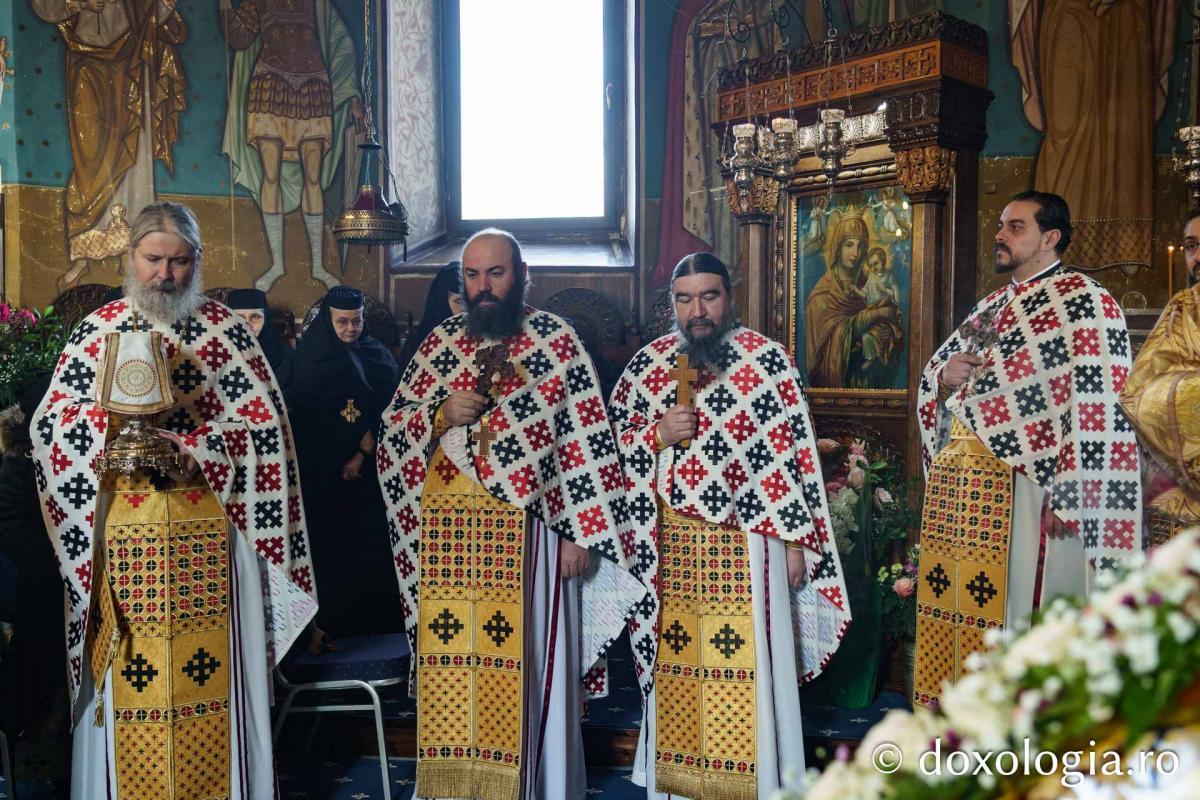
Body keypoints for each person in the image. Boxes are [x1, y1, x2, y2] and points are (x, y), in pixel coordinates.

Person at [30, 201, 317, 799]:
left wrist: (198, 449)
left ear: (197, 261)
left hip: (209, 540)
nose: (164, 274)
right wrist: (112, 427)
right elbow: (50, 427)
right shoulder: (98, 330)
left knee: (210, 679)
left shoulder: (224, 333)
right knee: (129, 677)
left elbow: (266, 432)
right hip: (122, 545)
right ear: (130, 257)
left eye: (179, 262)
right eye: (153, 259)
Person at [377, 229, 656, 800]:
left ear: (522, 274)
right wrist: (438, 413)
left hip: (533, 537)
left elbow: (586, 443)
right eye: (472, 275)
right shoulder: (439, 344)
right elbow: (392, 433)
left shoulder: (556, 341)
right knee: (457, 662)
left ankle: (537, 786)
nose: (483, 287)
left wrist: (582, 535)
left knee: (529, 665)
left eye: (495, 273)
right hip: (451, 543)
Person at [610, 252, 850, 800]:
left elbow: (792, 459)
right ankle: (678, 788)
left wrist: (795, 544)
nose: (697, 311)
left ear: (730, 296)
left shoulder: (767, 362)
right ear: (672, 303)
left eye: (708, 296)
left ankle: (756, 783)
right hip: (669, 548)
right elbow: (609, 452)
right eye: (684, 299)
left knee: (750, 664)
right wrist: (656, 435)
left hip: (750, 546)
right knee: (676, 662)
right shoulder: (648, 367)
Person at [912, 191, 1141, 709]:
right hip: (965, 490)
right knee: (967, 605)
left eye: (1015, 227)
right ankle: (963, 719)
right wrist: (944, 376)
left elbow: (1099, 401)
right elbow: (942, 376)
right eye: (1001, 225)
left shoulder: (1085, 300)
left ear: (1050, 237)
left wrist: (1071, 489)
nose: (1000, 235)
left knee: (1019, 609)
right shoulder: (991, 306)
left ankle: (1021, 728)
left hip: (1030, 488)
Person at [31, 0, 187, 288]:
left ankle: (131, 248)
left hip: (131, 54)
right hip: (85, 55)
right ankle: (83, 250)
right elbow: (44, 6)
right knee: (89, 154)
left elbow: (153, 11)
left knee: (133, 147)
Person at [220, 0, 366, 290]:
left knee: (313, 179)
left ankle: (318, 266)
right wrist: (224, 6)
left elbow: (340, 42)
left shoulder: (316, 3)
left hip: (313, 88)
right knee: (270, 176)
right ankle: (276, 265)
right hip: (270, 87)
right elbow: (240, 37)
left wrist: (353, 97)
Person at [290, 285, 401, 638]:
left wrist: (366, 446)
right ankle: (336, 625)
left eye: (357, 321)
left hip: (373, 470)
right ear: (328, 320)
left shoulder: (375, 353)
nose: (351, 329)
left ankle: (380, 625)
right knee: (335, 549)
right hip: (326, 474)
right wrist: (346, 452)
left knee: (373, 544)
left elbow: (394, 404)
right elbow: (306, 417)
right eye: (343, 322)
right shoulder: (309, 359)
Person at [0, 374, 71, 795]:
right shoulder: (22, 457)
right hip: (42, 589)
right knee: (40, 688)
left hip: (77, 586)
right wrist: (61, 562)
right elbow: (10, 524)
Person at [1120, 208, 1200, 540]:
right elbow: (1138, 393)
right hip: (1183, 504)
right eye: (1191, 246)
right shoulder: (1182, 308)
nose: (1197, 257)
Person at [805, 211, 901, 388]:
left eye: (861, 247)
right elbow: (824, 349)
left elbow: (892, 320)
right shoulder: (821, 296)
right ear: (837, 247)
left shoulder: (870, 284)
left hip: (872, 386)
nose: (856, 253)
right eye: (849, 245)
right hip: (833, 391)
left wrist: (883, 334)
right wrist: (877, 314)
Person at [395, 262, 466, 375]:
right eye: (459, 301)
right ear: (442, 302)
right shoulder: (418, 342)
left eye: (470, 301)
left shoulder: (485, 337)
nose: (465, 309)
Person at [227, 287, 296, 397]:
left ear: (266, 319)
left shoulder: (288, 358)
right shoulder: (217, 355)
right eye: (239, 318)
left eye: (255, 317)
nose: (248, 325)